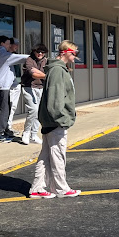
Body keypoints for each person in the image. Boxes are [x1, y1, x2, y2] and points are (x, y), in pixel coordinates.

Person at [29, 40, 81, 198]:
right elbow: (55, 99)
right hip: (56, 121)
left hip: (50, 120)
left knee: (45, 156)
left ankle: (37, 188)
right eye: (74, 54)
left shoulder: (56, 69)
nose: (76, 57)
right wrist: (63, 118)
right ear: (66, 53)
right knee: (58, 155)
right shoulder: (58, 70)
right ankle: (61, 188)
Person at [0, 35, 29, 143]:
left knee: (5, 108)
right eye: (8, 44)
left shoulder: (1, 53)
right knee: (4, 109)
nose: (9, 46)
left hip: (5, 85)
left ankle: (5, 130)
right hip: (4, 86)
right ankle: (0, 134)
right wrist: (32, 57)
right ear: (2, 44)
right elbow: (21, 58)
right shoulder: (3, 54)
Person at [20, 43, 48, 145]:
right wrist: (46, 76)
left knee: (39, 111)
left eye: (42, 52)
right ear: (34, 51)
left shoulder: (46, 61)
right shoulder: (29, 60)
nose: (40, 53)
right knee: (33, 109)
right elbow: (33, 73)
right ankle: (26, 132)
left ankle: (34, 134)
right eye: (38, 51)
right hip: (28, 87)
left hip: (40, 88)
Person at [6, 37, 23, 134]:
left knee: (13, 106)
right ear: (10, 45)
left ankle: (9, 126)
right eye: (15, 44)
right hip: (9, 85)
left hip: (17, 83)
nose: (17, 46)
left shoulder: (16, 55)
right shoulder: (6, 56)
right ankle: (6, 127)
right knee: (9, 105)